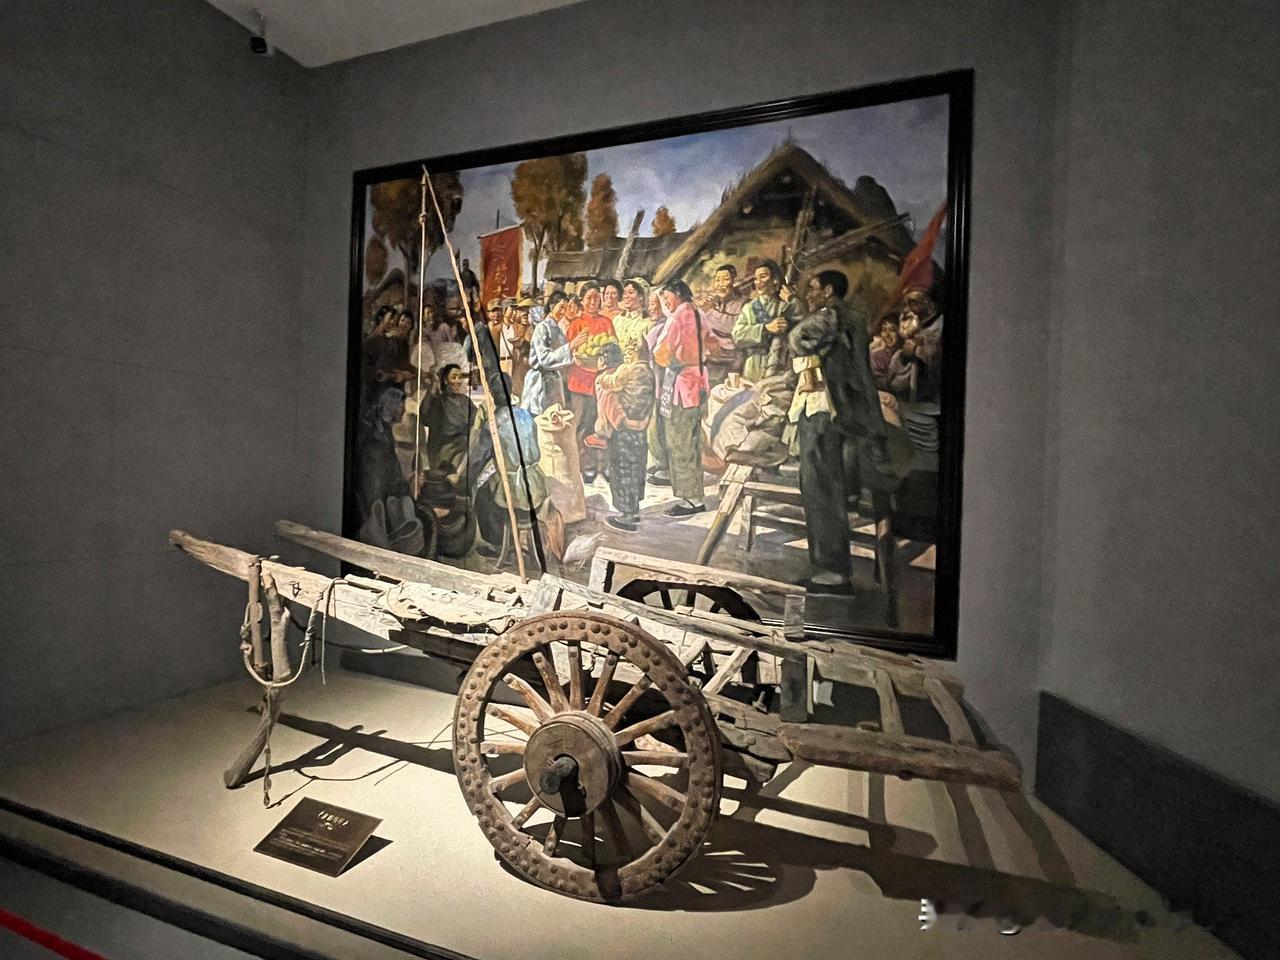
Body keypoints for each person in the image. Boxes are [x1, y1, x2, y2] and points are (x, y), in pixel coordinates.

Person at [787, 270, 892, 594]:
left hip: (824, 409)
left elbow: (797, 339)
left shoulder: (832, 317)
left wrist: (807, 347)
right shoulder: (850, 318)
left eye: (814, 289)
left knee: (820, 489)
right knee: (825, 489)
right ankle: (830, 570)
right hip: (836, 410)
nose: (809, 295)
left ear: (829, 290)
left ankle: (830, 574)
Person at [468, 375, 548, 557]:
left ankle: (497, 546)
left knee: (481, 494)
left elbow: (477, 458)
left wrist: (466, 477)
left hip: (515, 496)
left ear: (492, 394)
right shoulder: (526, 415)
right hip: (536, 488)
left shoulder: (493, 424)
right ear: (511, 391)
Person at [651, 280, 710, 516]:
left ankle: (691, 499)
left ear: (677, 294)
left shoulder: (676, 318)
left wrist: (671, 358)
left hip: (681, 385)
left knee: (679, 442)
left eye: (666, 297)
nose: (665, 303)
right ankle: (695, 494)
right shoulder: (699, 314)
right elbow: (714, 343)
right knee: (692, 441)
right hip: (699, 381)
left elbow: (660, 353)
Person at [593, 341, 655, 531]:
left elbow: (613, 408)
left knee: (622, 470)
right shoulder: (648, 373)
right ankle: (634, 510)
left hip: (623, 431)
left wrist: (622, 424)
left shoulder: (619, 374)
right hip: (640, 427)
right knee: (637, 467)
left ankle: (627, 516)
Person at [565, 281, 617, 483]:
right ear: (582, 300)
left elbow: (614, 350)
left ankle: (603, 464)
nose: (593, 301)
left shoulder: (606, 323)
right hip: (580, 383)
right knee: (582, 426)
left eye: (596, 297)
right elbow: (570, 353)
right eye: (589, 298)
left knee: (603, 425)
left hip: (602, 383)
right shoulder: (575, 324)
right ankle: (586, 465)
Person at [732, 259, 796, 382]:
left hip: (780, 366)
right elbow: (736, 335)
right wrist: (765, 329)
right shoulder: (750, 307)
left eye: (763, 277)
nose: (758, 282)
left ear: (775, 279)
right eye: (756, 279)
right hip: (753, 366)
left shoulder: (786, 306)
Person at [522, 292, 581, 415]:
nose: (563, 312)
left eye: (566, 308)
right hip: (540, 381)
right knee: (539, 417)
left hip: (554, 381)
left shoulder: (559, 330)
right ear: (552, 305)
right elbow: (544, 359)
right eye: (561, 307)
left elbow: (565, 357)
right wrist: (570, 347)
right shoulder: (542, 328)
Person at [420, 364, 477, 480]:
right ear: (446, 381)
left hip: (464, 449)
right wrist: (434, 385)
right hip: (445, 452)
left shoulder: (465, 401)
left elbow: (476, 422)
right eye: (454, 377)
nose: (458, 381)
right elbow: (425, 417)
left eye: (460, 377)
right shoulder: (440, 402)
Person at [697, 263, 745, 380]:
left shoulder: (744, 304)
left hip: (729, 359)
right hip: (707, 357)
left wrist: (707, 314)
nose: (721, 284)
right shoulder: (711, 303)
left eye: (725, 279)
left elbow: (733, 329)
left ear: (734, 281)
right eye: (717, 280)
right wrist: (700, 312)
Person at [612, 277, 652, 360]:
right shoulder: (617, 320)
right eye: (625, 293)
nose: (626, 296)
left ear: (641, 297)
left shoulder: (648, 323)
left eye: (631, 292)